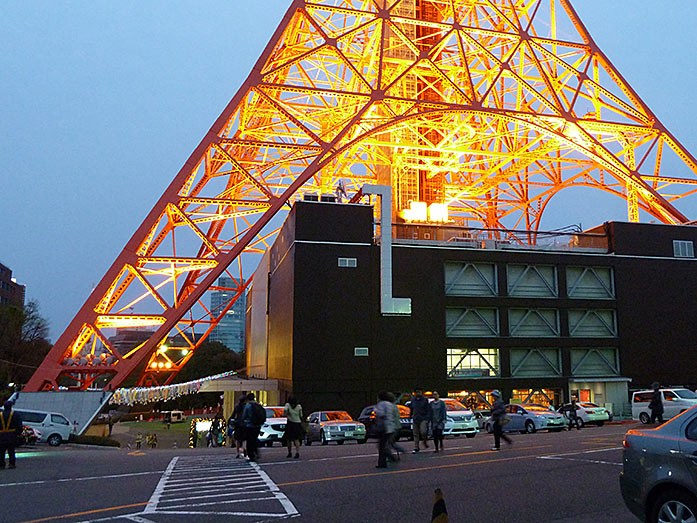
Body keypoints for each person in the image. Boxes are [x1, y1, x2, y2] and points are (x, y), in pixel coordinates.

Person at [374, 391, 396, 468]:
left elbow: (381, 414)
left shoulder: (381, 404)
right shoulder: (390, 404)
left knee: (381, 446)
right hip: (390, 427)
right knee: (384, 445)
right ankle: (386, 459)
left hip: (383, 427)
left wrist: (375, 410)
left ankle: (384, 462)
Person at [242, 392, 266, 462]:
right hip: (257, 425)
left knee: (249, 441)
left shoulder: (247, 406)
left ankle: (251, 455)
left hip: (249, 425)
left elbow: (244, 416)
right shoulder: (258, 405)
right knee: (254, 439)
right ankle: (256, 452)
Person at [0, 400, 22, 469]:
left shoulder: (0, 414)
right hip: (12, 435)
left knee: (1, 451)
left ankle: (1, 464)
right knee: (11, 450)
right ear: (11, 406)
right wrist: (18, 433)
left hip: (1, 435)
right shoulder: (16, 414)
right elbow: (19, 426)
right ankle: (11, 464)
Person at [409, 388, 430, 453]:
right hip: (415, 418)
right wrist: (410, 416)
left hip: (423, 418)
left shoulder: (425, 400)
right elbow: (411, 409)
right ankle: (416, 447)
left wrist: (427, 418)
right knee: (415, 433)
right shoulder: (413, 400)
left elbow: (428, 409)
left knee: (423, 431)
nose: (418, 393)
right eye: (417, 392)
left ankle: (424, 441)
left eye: (419, 392)